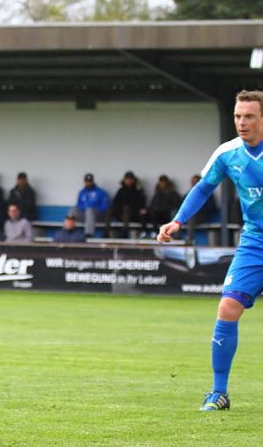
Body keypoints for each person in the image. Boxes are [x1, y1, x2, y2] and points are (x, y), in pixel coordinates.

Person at [157, 89, 263, 412]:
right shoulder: (228, 153)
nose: (241, 123)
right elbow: (203, 188)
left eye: (249, 116)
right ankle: (218, 393)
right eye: (237, 116)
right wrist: (177, 221)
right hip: (255, 242)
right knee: (228, 308)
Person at [110, 170, 146, 238]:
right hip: (121, 215)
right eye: (127, 179)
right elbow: (115, 203)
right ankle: (106, 231)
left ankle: (125, 231)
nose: (129, 181)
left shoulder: (138, 191)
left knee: (127, 208)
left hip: (134, 215)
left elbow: (141, 205)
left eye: (131, 179)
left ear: (134, 180)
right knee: (111, 209)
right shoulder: (121, 191)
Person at [183, 174, 218, 244]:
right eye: (193, 182)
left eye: (196, 182)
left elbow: (212, 208)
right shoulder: (188, 194)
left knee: (191, 215)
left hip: (202, 216)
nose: (194, 184)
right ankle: (176, 238)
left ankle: (189, 239)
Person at [74, 173, 110, 237]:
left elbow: (105, 205)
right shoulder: (82, 192)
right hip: (84, 215)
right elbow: (79, 204)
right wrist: (85, 208)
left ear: (93, 182)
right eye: (86, 181)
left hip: (98, 215)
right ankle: (67, 232)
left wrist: (94, 208)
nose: (88, 183)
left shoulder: (100, 192)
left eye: (90, 182)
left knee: (90, 210)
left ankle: (89, 234)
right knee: (73, 209)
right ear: (84, 182)